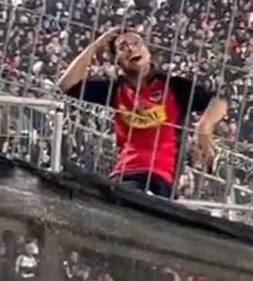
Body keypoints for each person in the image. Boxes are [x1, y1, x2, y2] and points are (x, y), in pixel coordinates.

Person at [59, 28, 227, 198]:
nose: (131, 49)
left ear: (148, 52)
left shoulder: (173, 86)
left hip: (162, 179)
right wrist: (96, 45)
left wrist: (204, 126)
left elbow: (218, 102)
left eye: (136, 43)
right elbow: (66, 85)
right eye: (123, 47)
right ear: (118, 61)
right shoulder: (115, 90)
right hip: (124, 175)